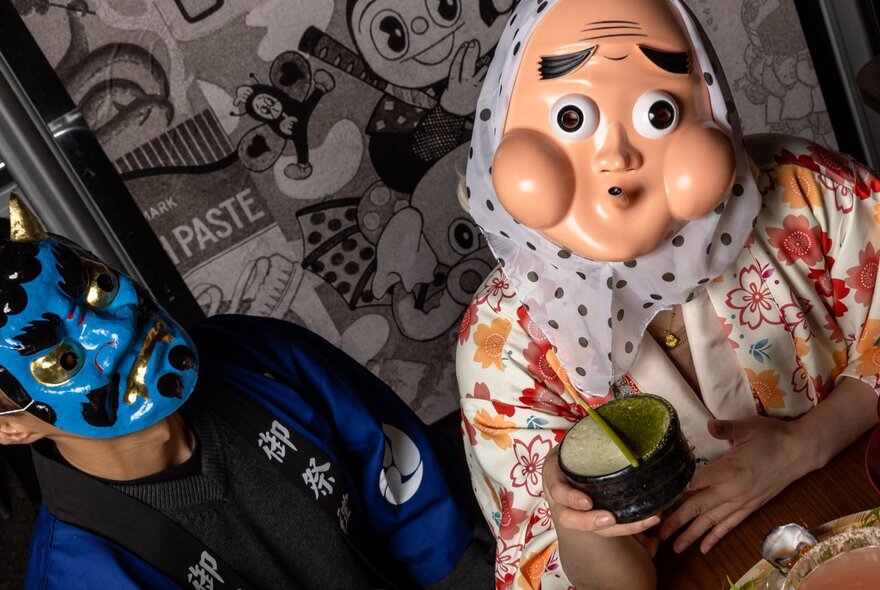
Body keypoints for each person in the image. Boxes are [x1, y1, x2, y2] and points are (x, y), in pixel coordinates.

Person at [456, 0, 880, 588]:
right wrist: (577, 519)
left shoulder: (804, 188)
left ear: (707, 99)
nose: (617, 156)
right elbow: (552, 572)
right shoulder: (500, 343)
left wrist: (805, 443)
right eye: (572, 118)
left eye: (657, 112)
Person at [0, 195, 493, 589]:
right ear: (11, 428)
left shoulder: (258, 352)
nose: (117, 330)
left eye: (99, 287)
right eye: (61, 361)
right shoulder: (81, 576)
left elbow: (422, 509)